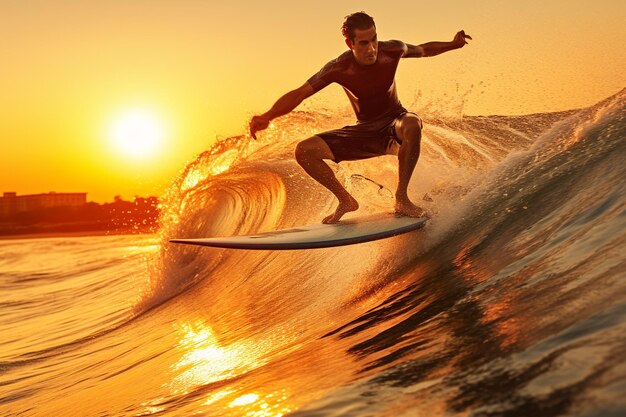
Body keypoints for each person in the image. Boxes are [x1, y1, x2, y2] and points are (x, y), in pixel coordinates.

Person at [249, 12, 471, 224]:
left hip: (395, 124)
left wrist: (454, 44)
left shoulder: (392, 50)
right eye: (364, 43)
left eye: (374, 39)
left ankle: (401, 199)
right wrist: (268, 116)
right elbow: (300, 93)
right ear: (350, 44)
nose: (372, 48)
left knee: (412, 123)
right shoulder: (338, 67)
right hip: (364, 132)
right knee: (304, 151)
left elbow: (423, 49)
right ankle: (346, 200)